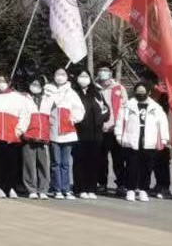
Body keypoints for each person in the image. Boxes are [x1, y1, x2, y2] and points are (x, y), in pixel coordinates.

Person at [116, 81, 169, 202]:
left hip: (149, 141)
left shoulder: (156, 107)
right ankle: (130, 189)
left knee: (147, 167)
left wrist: (164, 138)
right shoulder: (127, 106)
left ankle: (143, 190)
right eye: (138, 92)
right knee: (131, 166)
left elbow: (163, 123)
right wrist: (119, 135)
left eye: (143, 92)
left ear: (148, 92)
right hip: (132, 140)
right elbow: (120, 121)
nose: (140, 94)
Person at [0, 73, 28, 198]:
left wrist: (19, 130)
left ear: (9, 82)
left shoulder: (18, 97)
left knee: (11, 163)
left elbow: (24, 115)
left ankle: (11, 187)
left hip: (12, 135)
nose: (1, 83)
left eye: (3, 80)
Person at [45, 68, 86, 199]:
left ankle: (66, 188)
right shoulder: (48, 90)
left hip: (68, 132)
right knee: (55, 162)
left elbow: (80, 110)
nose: (60, 77)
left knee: (66, 163)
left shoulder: (71, 92)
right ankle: (56, 188)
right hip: (53, 131)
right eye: (57, 74)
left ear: (67, 76)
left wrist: (73, 119)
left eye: (63, 74)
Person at [72, 69, 110, 199]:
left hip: (95, 134)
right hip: (79, 133)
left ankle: (91, 188)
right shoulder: (74, 93)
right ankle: (80, 188)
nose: (83, 79)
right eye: (81, 76)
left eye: (86, 76)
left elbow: (106, 110)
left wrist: (100, 120)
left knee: (94, 161)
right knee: (80, 161)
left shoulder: (96, 94)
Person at [97, 65, 129, 195]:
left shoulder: (119, 88)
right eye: (100, 70)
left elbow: (125, 107)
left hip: (116, 130)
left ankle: (121, 184)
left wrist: (121, 126)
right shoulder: (94, 88)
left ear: (110, 73)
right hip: (100, 129)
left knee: (119, 159)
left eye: (105, 70)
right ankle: (102, 183)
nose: (103, 73)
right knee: (100, 159)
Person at [21, 77, 53, 199]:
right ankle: (31, 189)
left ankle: (43, 189)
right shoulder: (24, 98)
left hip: (43, 136)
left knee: (44, 164)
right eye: (33, 83)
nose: (35, 86)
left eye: (38, 84)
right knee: (29, 164)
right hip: (29, 135)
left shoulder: (48, 98)